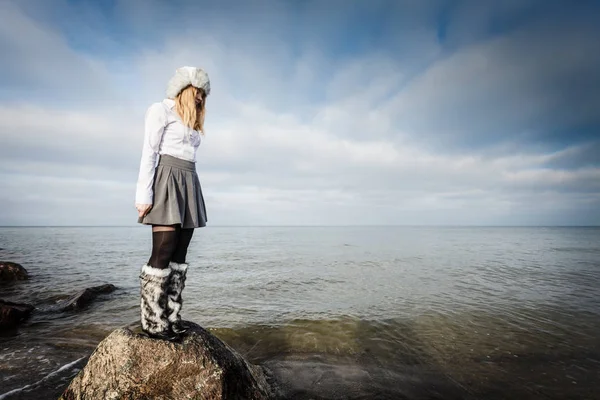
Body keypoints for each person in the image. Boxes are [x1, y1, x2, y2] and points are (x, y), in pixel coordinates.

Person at [134, 66, 210, 341]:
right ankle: (153, 321)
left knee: (180, 253)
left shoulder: (192, 122)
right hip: (167, 178)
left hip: (189, 180)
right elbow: (149, 153)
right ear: (184, 90)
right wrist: (144, 195)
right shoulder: (160, 110)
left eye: (204, 94)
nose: (201, 98)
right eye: (197, 92)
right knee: (163, 249)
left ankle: (172, 316)